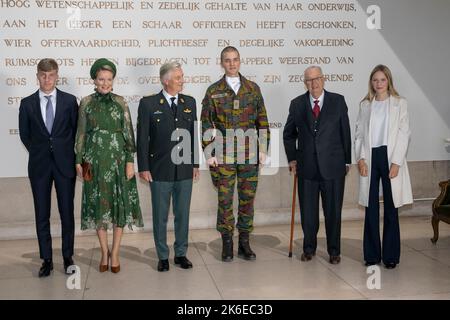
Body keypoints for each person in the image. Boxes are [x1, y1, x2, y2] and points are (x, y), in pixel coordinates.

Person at [201, 46, 270, 262]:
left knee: (247, 199)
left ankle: (244, 243)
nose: (232, 63)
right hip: (223, 155)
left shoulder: (252, 88)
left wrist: (263, 149)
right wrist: (208, 151)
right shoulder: (214, 91)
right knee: (225, 200)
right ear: (221, 63)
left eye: (235, 59)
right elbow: (205, 123)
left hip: (249, 154)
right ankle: (227, 242)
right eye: (227, 60)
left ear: (240, 61)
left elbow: (263, 122)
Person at [75, 58, 143, 273]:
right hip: (92, 162)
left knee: (119, 206)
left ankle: (115, 252)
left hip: (118, 161)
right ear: (94, 80)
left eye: (109, 79)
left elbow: (128, 133)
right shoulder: (86, 102)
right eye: (101, 79)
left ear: (113, 80)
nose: (105, 83)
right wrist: (79, 161)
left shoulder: (121, 102)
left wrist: (130, 161)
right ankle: (104, 251)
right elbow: (81, 134)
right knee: (98, 206)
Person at [283, 66, 351, 264]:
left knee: (333, 213)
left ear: (324, 79)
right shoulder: (296, 104)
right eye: (309, 80)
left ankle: (334, 251)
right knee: (308, 213)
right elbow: (289, 134)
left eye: (317, 79)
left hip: (334, 167)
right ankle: (309, 248)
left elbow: (344, 132)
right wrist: (292, 158)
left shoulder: (338, 101)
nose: (314, 83)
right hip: (307, 169)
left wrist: (347, 160)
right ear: (305, 83)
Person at [137, 62, 199, 272]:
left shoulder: (189, 102)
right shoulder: (148, 104)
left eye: (182, 76)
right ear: (166, 80)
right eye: (178, 77)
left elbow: (193, 133)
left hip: (184, 169)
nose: (182, 80)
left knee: (183, 214)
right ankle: (163, 256)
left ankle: (180, 253)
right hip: (159, 169)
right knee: (160, 215)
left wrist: (195, 163)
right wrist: (143, 167)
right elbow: (142, 139)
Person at [19, 58, 78, 277]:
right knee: (41, 214)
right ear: (37, 76)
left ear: (56, 75)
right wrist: (40, 151)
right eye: (43, 75)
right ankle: (46, 259)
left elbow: (74, 132)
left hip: (65, 166)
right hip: (40, 167)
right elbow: (25, 136)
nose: (47, 79)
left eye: (51, 75)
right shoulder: (27, 104)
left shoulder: (70, 101)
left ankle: (67, 257)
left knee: (67, 214)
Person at [355, 64, 413, 269]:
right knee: (370, 207)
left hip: (390, 158)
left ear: (389, 81)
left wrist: (396, 162)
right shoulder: (365, 105)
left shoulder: (399, 103)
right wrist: (360, 159)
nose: (378, 83)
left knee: (391, 208)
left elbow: (404, 133)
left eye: (382, 80)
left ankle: (390, 256)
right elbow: (360, 135)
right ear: (371, 82)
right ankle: (371, 255)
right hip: (370, 158)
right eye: (375, 80)